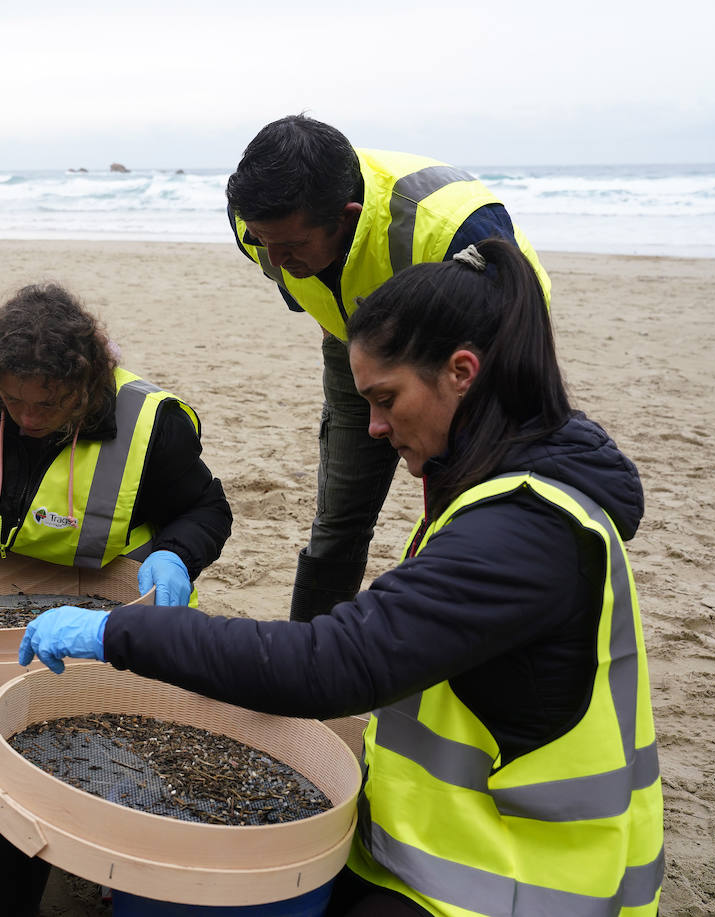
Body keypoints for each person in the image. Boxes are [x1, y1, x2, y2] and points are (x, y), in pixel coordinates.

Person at [19, 239, 663, 916]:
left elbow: (333, 663)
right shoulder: (503, 486)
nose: (377, 428)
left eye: (386, 399)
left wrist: (121, 631)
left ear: (461, 371)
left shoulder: (522, 533)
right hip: (440, 847)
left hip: (515, 885)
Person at [225, 114, 551, 622]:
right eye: (265, 241)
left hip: (481, 353)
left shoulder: (449, 227)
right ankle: (311, 664)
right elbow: (308, 285)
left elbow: (508, 334)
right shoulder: (257, 222)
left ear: (348, 217)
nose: (276, 258)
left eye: (291, 247)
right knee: (338, 520)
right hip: (354, 338)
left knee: (463, 509)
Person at [0, 282, 233, 628]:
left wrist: (175, 557)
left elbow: (204, 509)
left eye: (50, 403)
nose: (28, 418)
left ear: (86, 386)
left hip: (112, 614)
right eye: (14, 399)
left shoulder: (149, 420)